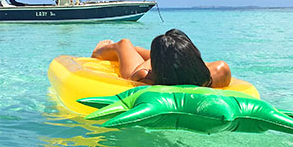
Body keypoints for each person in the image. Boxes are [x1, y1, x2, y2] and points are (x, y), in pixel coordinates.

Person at [91, 29, 231, 88]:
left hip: (141, 69)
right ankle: (170, 54)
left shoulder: (145, 76)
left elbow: (136, 73)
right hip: (171, 66)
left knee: (124, 44)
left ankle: (98, 50)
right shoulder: (220, 70)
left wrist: (157, 59)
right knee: (136, 49)